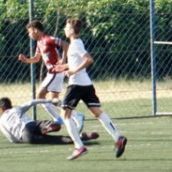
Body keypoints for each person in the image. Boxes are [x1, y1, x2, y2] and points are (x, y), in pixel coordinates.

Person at [52, 18, 128, 160]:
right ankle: (118, 138)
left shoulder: (75, 44)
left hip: (76, 85)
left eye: (66, 27)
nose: (64, 29)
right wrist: (65, 67)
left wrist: (72, 71)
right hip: (86, 84)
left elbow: (88, 60)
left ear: (72, 30)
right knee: (96, 112)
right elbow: (78, 61)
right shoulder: (77, 43)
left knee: (65, 116)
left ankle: (79, 147)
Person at [17, 20, 67, 124]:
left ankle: (57, 119)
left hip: (55, 72)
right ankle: (76, 115)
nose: (29, 35)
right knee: (54, 100)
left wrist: (63, 60)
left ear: (35, 30)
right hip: (55, 73)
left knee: (39, 96)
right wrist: (26, 60)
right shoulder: (39, 43)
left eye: (30, 32)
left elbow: (66, 44)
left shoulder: (48, 39)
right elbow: (36, 59)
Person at [0, 97, 98, 145]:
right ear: (10, 105)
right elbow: (31, 102)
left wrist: (20, 140)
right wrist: (50, 101)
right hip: (30, 124)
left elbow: (11, 139)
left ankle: (81, 137)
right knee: (41, 123)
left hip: (25, 135)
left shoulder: (1, 121)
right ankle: (49, 125)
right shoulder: (16, 110)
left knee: (55, 140)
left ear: (1, 109)